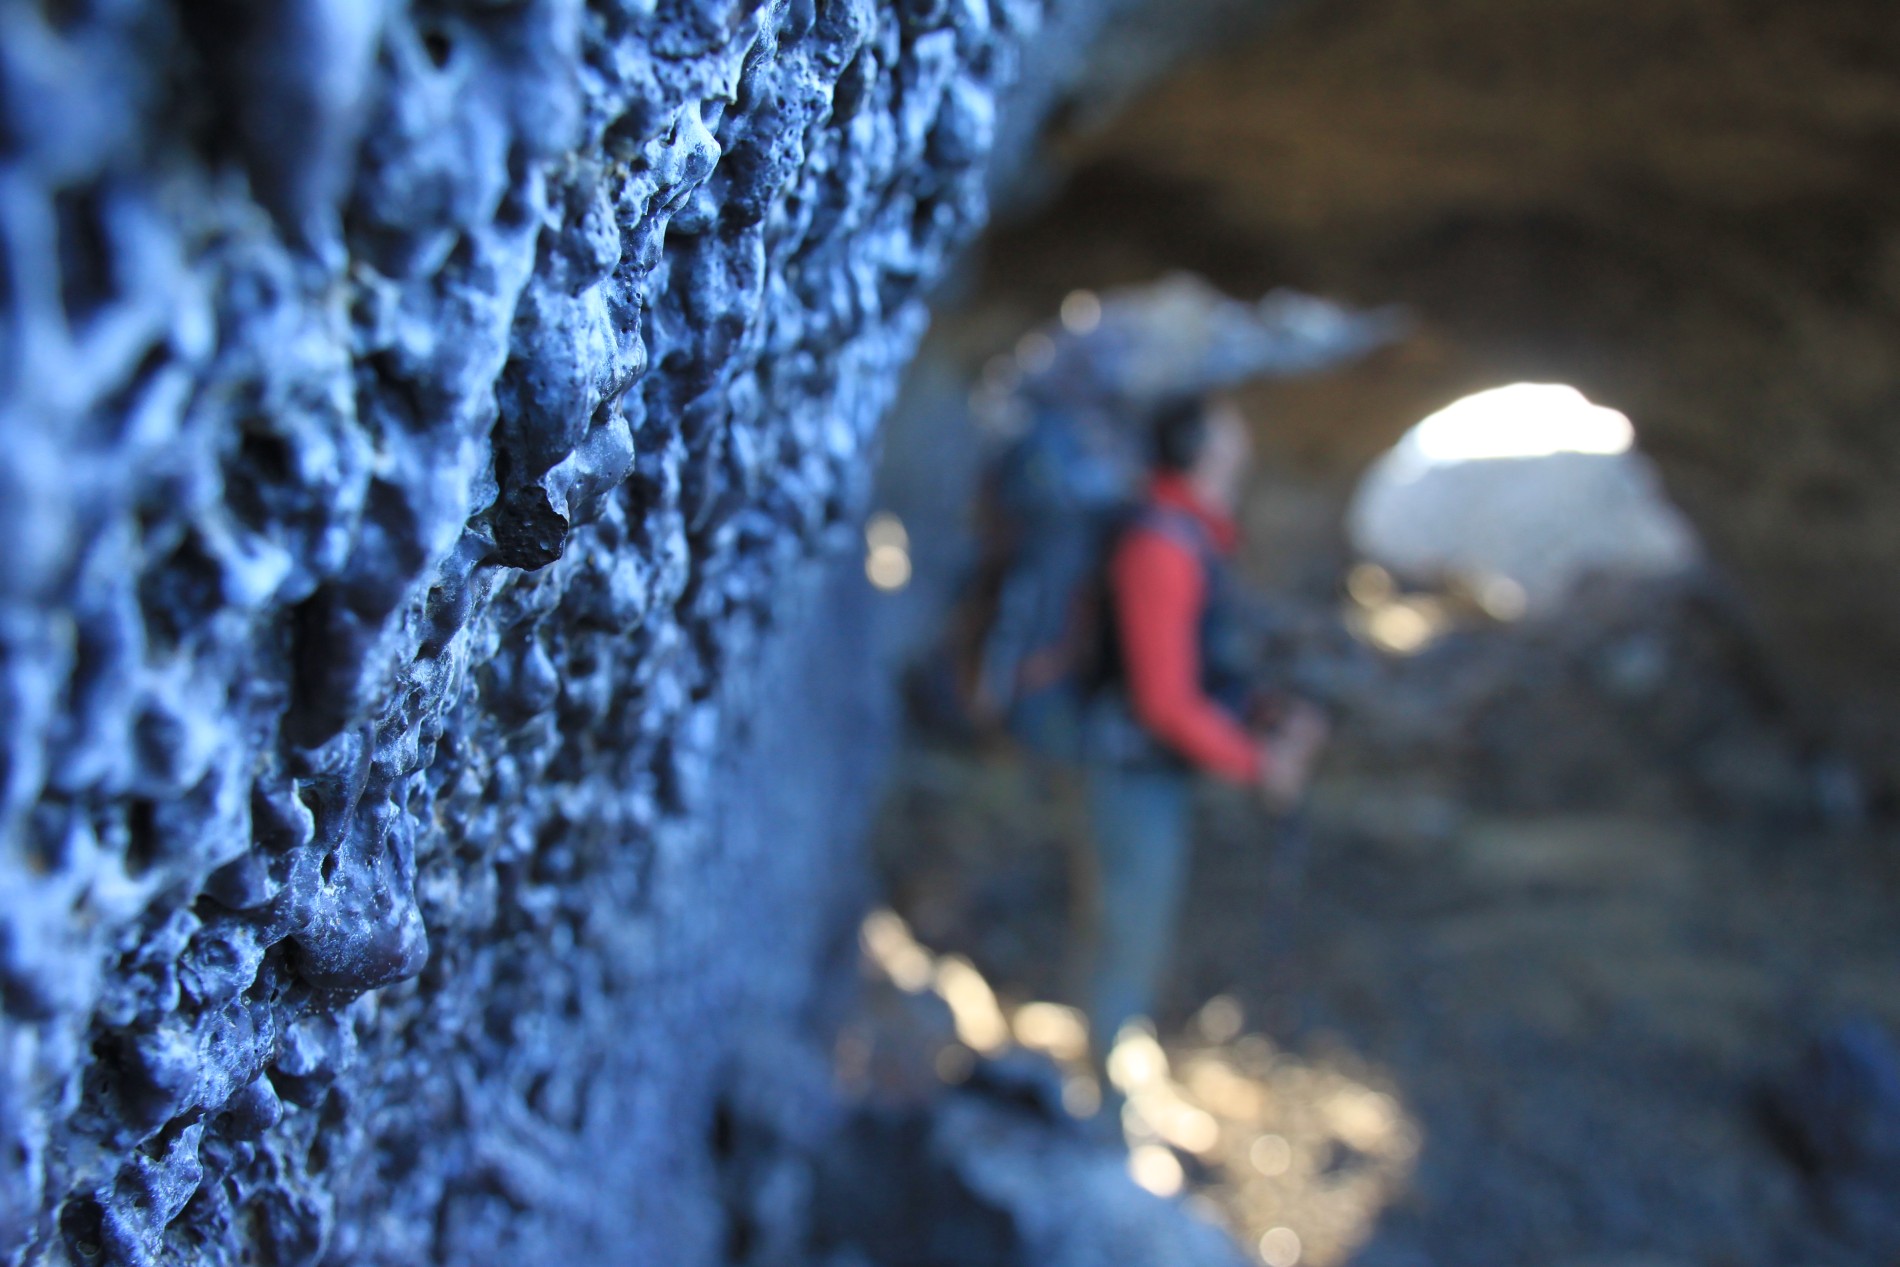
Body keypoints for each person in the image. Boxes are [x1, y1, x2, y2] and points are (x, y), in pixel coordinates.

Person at [1080, 393, 1326, 1076]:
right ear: (1201, 450)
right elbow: (1164, 700)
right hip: (1130, 772)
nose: (1244, 442)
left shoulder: (1189, 535)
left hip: (1148, 770)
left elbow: (1198, 667)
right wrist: (1257, 762)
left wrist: (1265, 712)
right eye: (1230, 430)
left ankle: (1113, 1088)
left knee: (1134, 928)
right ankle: (1104, 1116)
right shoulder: (1161, 543)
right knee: (1126, 935)